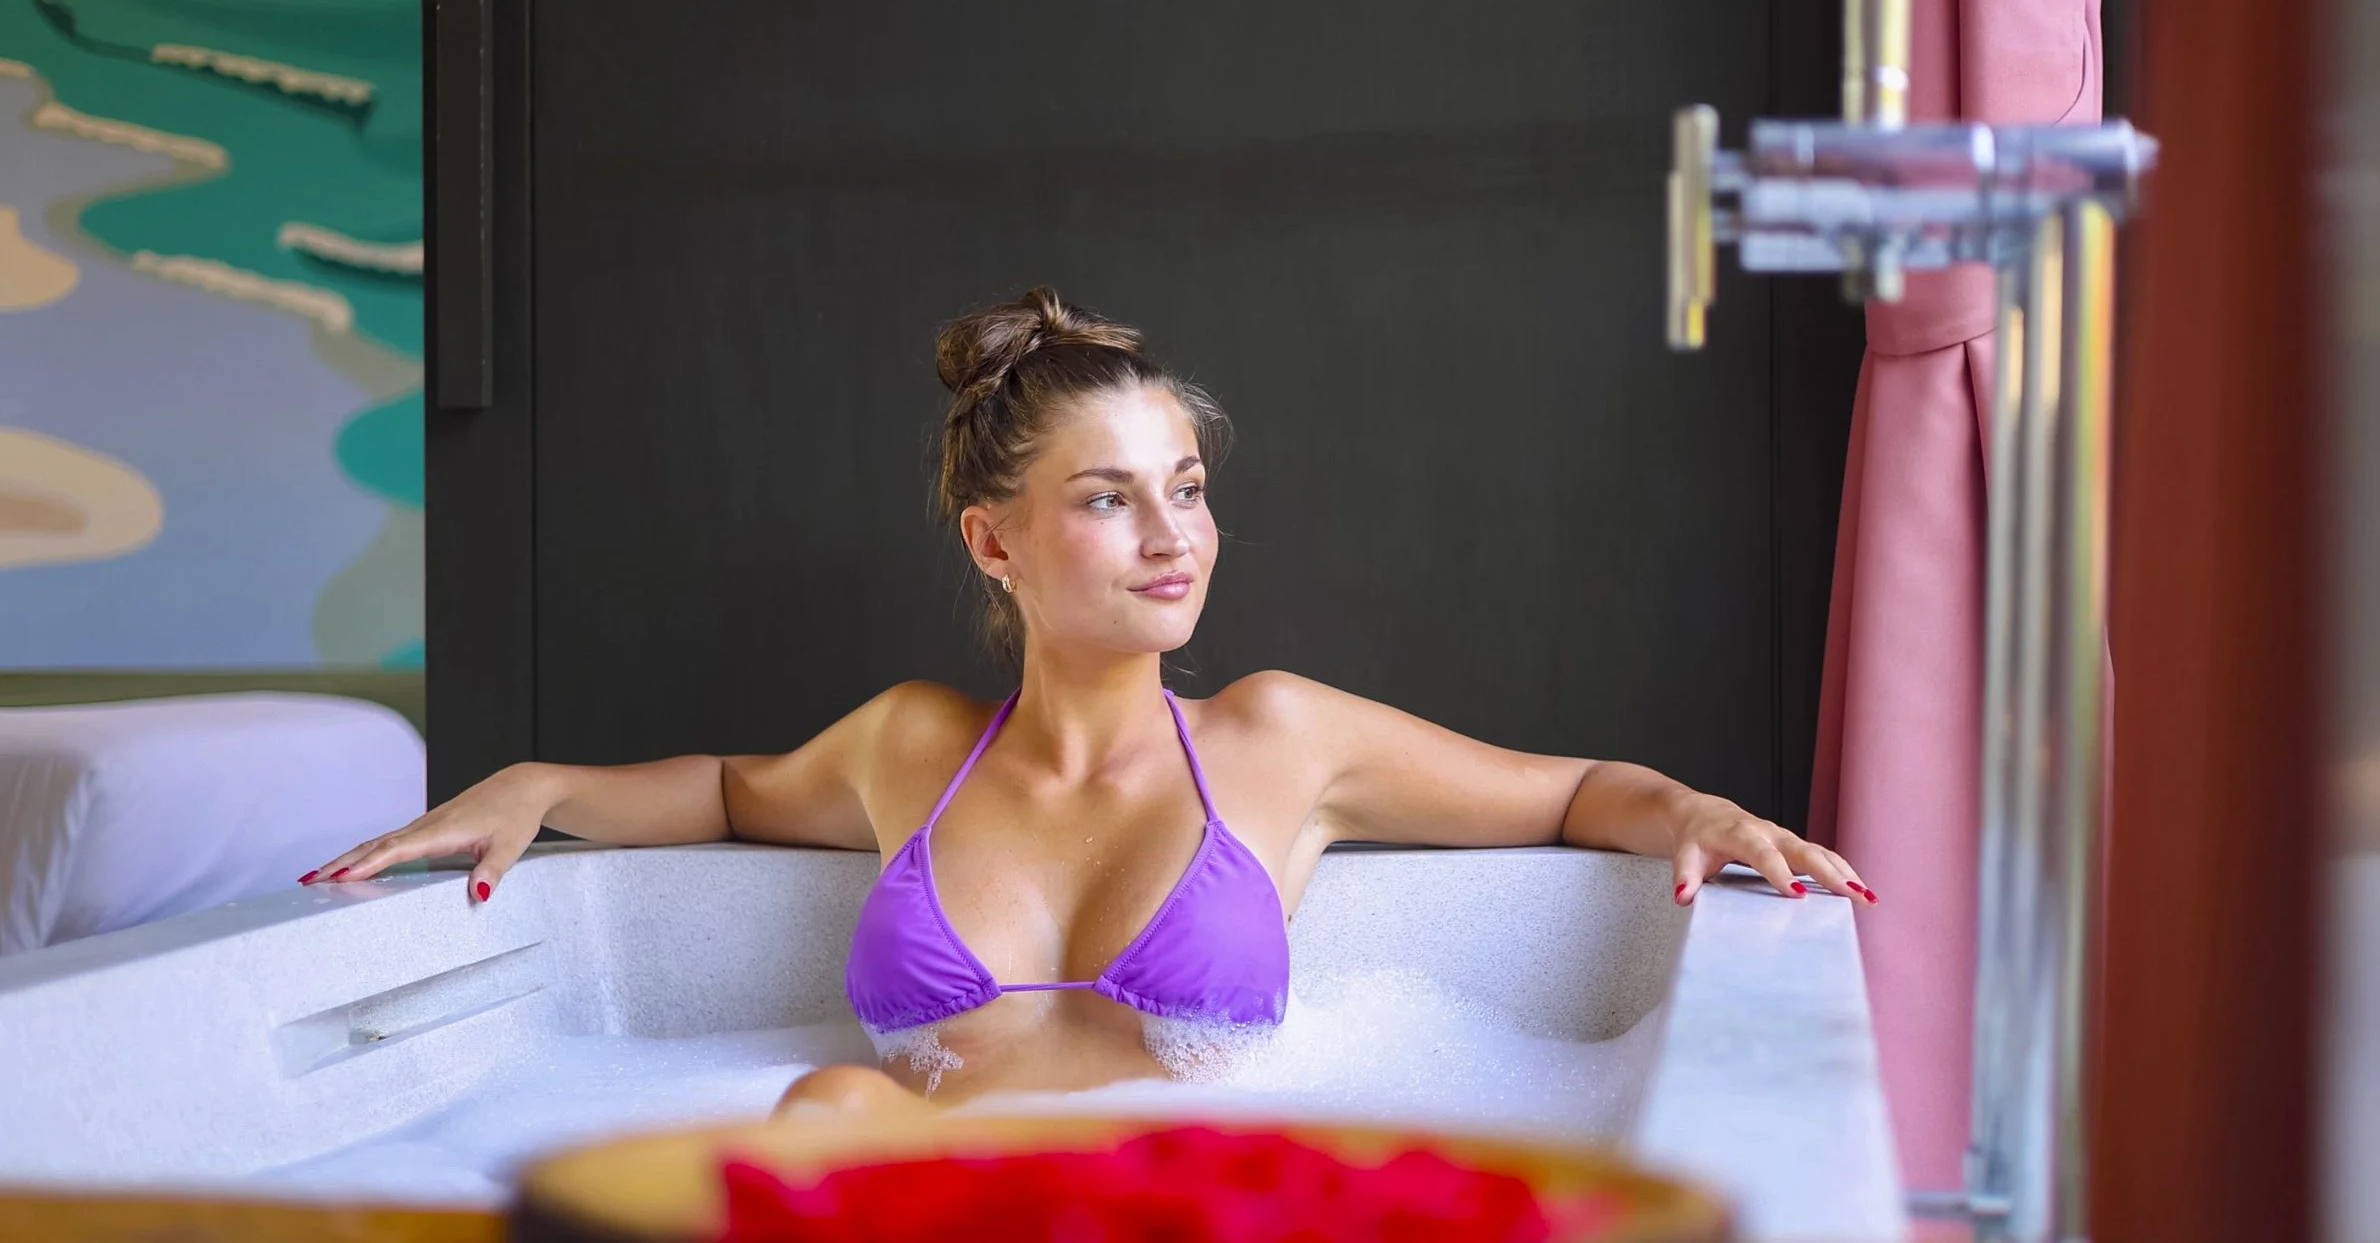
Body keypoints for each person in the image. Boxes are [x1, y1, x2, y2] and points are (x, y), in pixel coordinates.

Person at [307, 288, 1874, 1117]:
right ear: (995, 541)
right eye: (1113, 500)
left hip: (1181, 1193)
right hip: (920, 1183)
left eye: (1186, 490)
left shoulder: (1278, 742)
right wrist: (539, 783)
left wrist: (1702, 814)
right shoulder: (911, 744)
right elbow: (727, 791)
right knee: (823, 1107)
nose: (1176, 533)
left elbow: (1570, 792)